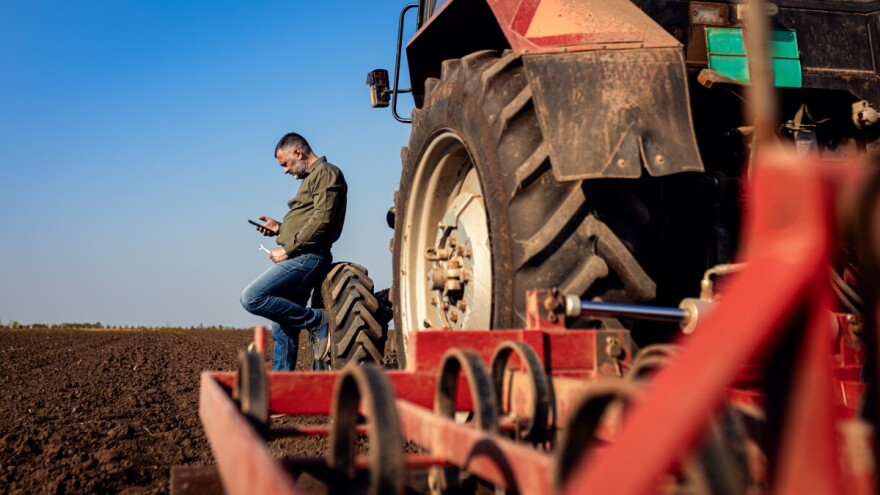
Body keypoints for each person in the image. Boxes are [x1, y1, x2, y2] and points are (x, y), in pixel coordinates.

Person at [240, 133, 347, 371]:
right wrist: (279, 228)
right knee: (283, 324)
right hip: (300, 254)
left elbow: (322, 221)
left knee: (251, 297)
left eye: (285, 164)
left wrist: (288, 249)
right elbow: (309, 219)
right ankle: (282, 387)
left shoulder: (327, 173)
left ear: (298, 153)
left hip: (308, 257)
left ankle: (316, 320)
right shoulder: (311, 180)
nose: (285, 171)